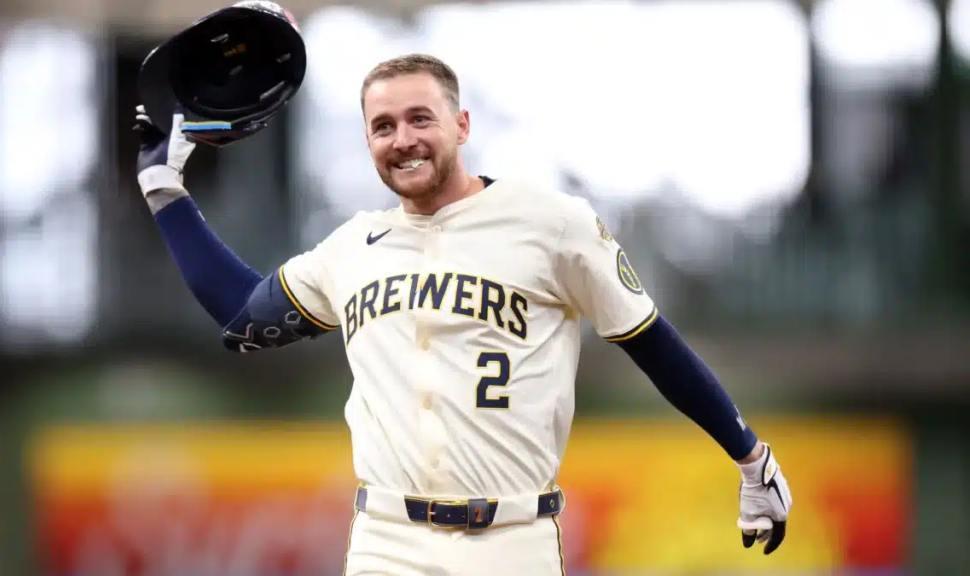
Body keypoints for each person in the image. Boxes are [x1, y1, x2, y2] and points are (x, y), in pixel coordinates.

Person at [134, 53, 792, 575]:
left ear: (462, 125)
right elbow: (244, 318)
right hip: (387, 541)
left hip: (513, 539)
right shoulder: (353, 247)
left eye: (420, 118)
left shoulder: (550, 223)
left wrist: (750, 457)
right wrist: (165, 191)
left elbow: (650, 341)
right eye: (383, 127)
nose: (403, 140)